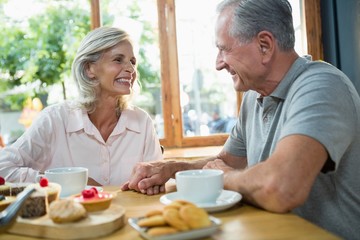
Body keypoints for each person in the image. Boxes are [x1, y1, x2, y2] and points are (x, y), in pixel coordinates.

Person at [121, 0, 360, 239]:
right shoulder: (253, 96)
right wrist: (173, 169)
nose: (218, 63)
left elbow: (280, 188)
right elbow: (227, 162)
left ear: (264, 45)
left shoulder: (323, 86)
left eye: (224, 49)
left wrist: (225, 177)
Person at [0, 27, 163, 186]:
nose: (130, 69)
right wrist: (68, 181)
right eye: (118, 60)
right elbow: (3, 168)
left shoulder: (142, 122)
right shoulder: (55, 119)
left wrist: (152, 183)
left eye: (132, 62)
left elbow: (156, 181)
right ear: (89, 68)